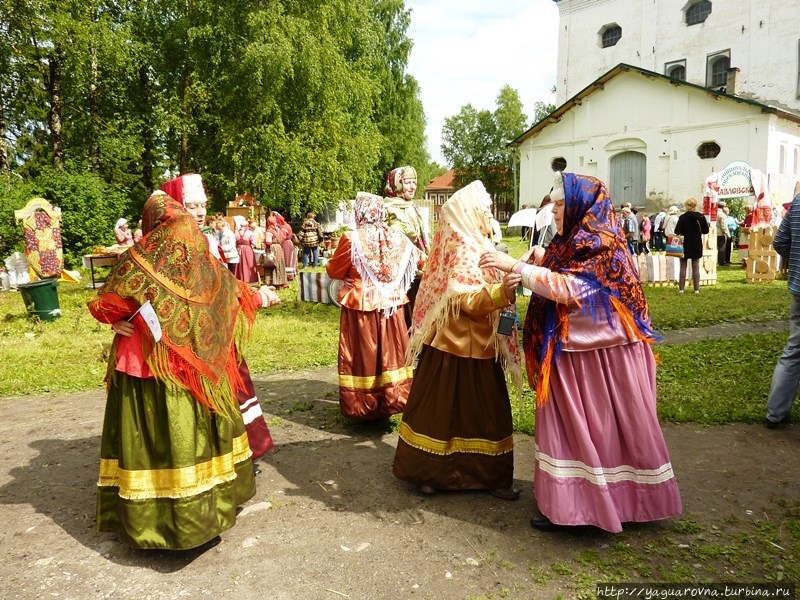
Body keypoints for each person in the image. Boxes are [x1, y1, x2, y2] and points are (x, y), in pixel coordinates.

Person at [480, 171, 682, 533]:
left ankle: (599, 504)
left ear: (581, 207)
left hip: (602, 359)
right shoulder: (573, 239)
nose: (555, 211)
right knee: (579, 432)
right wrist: (540, 257)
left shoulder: (601, 244)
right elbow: (562, 270)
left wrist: (517, 267)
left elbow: (570, 289)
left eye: (562, 204)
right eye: (554, 204)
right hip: (577, 354)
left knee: (600, 432)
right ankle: (575, 504)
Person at [87, 191, 281, 550]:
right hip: (193, 368)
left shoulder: (136, 259)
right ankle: (204, 515)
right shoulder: (200, 257)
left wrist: (114, 321)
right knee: (198, 437)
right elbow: (235, 293)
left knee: (152, 438)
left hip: (147, 363)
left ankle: (154, 519)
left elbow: (106, 303)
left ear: (149, 224)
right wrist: (263, 297)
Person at [392, 180, 522, 501]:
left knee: (447, 411)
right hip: (461, 343)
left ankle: (438, 474)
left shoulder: (473, 240)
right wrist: (501, 293)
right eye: (486, 209)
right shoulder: (463, 246)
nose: (490, 214)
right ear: (469, 211)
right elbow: (464, 299)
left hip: (466, 343)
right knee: (468, 410)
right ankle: (440, 473)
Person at [161, 174, 275, 466]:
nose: (199, 212)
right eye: (191, 205)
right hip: (183, 341)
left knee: (231, 393)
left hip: (214, 333)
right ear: (174, 206)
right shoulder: (164, 246)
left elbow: (222, 285)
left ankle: (237, 454)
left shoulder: (208, 241)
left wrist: (252, 295)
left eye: (203, 205)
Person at [325, 192, 421, 419]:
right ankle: (394, 399)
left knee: (363, 356)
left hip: (362, 305)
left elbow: (334, 270)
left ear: (359, 212)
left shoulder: (352, 239)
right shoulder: (398, 237)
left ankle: (363, 405)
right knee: (392, 353)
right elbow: (421, 260)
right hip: (392, 307)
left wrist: (348, 274)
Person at [765, 185, 800, 428]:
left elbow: (780, 241)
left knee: (793, 351)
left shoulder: (798, 203)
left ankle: (775, 414)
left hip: (799, 287)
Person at [384, 165, 429, 326]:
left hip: (418, 269)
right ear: (397, 185)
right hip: (400, 273)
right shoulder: (388, 209)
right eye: (408, 183)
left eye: (414, 183)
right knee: (405, 317)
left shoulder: (412, 208)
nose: (413, 187)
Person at [674, 198, 710, 294]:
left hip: (684, 243)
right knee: (696, 266)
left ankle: (681, 289)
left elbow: (676, 231)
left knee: (683, 266)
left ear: (686, 206)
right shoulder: (701, 217)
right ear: (695, 205)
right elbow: (706, 231)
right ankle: (696, 289)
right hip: (696, 243)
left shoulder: (682, 217)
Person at [262, 214, 288, 287]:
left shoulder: (269, 230)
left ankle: (272, 282)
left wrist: (263, 242)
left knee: (271, 263)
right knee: (279, 264)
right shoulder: (278, 229)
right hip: (279, 248)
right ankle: (281, 281)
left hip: (272, 248)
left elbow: (268, 242)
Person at [234, 215, 259, 283]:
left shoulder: (236, 232)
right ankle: (249, 279)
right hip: (247, 250)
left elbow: (235, 242)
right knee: (248, 264)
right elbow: (254, 243)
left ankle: (239, 278)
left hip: (238, 249)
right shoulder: (249, 233)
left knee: (239, 264)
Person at [716, 201, 731, 266]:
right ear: (724, 207)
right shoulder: (722, 214)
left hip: (712, 233)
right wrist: (728, 234)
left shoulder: (713, 213)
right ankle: (721, 262)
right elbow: (724, 226)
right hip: (720, 233)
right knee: (721, 248)